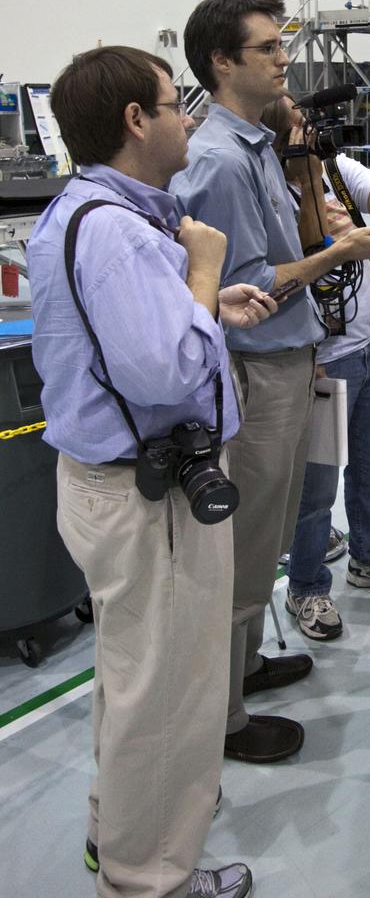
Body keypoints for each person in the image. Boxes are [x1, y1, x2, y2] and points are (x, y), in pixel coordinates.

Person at [28, 47, 277, 898]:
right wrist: (204, 272)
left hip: (112, 484)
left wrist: (200, 303)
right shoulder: (121, 233)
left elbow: (134, 339)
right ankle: (149, 880)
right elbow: (166, 377)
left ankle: (119, 838)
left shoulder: (86, 211)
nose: (188, 117)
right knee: (169, 694)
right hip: (150, 498)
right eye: (177, 104)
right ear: (137, 119)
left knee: (136, 680)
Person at [171, 0, 370, 763]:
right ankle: (225, 717)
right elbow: (242, 283)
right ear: (221, 61)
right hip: (259, 369)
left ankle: (243, 667)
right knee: (244, 545)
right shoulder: (216, 160)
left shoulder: (255, 149)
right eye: (268, 48)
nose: (284, 59)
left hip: (288, 359)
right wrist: (339, 256)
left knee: (269, 532)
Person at [261, 93, 370, 640]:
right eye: (299, 126)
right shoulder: (270, 190)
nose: (312, 133)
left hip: (366, 350)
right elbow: (303, 252)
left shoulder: (335, 169)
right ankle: (307, 587)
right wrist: (303, 174)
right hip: (318, 362)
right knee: (315, 490)